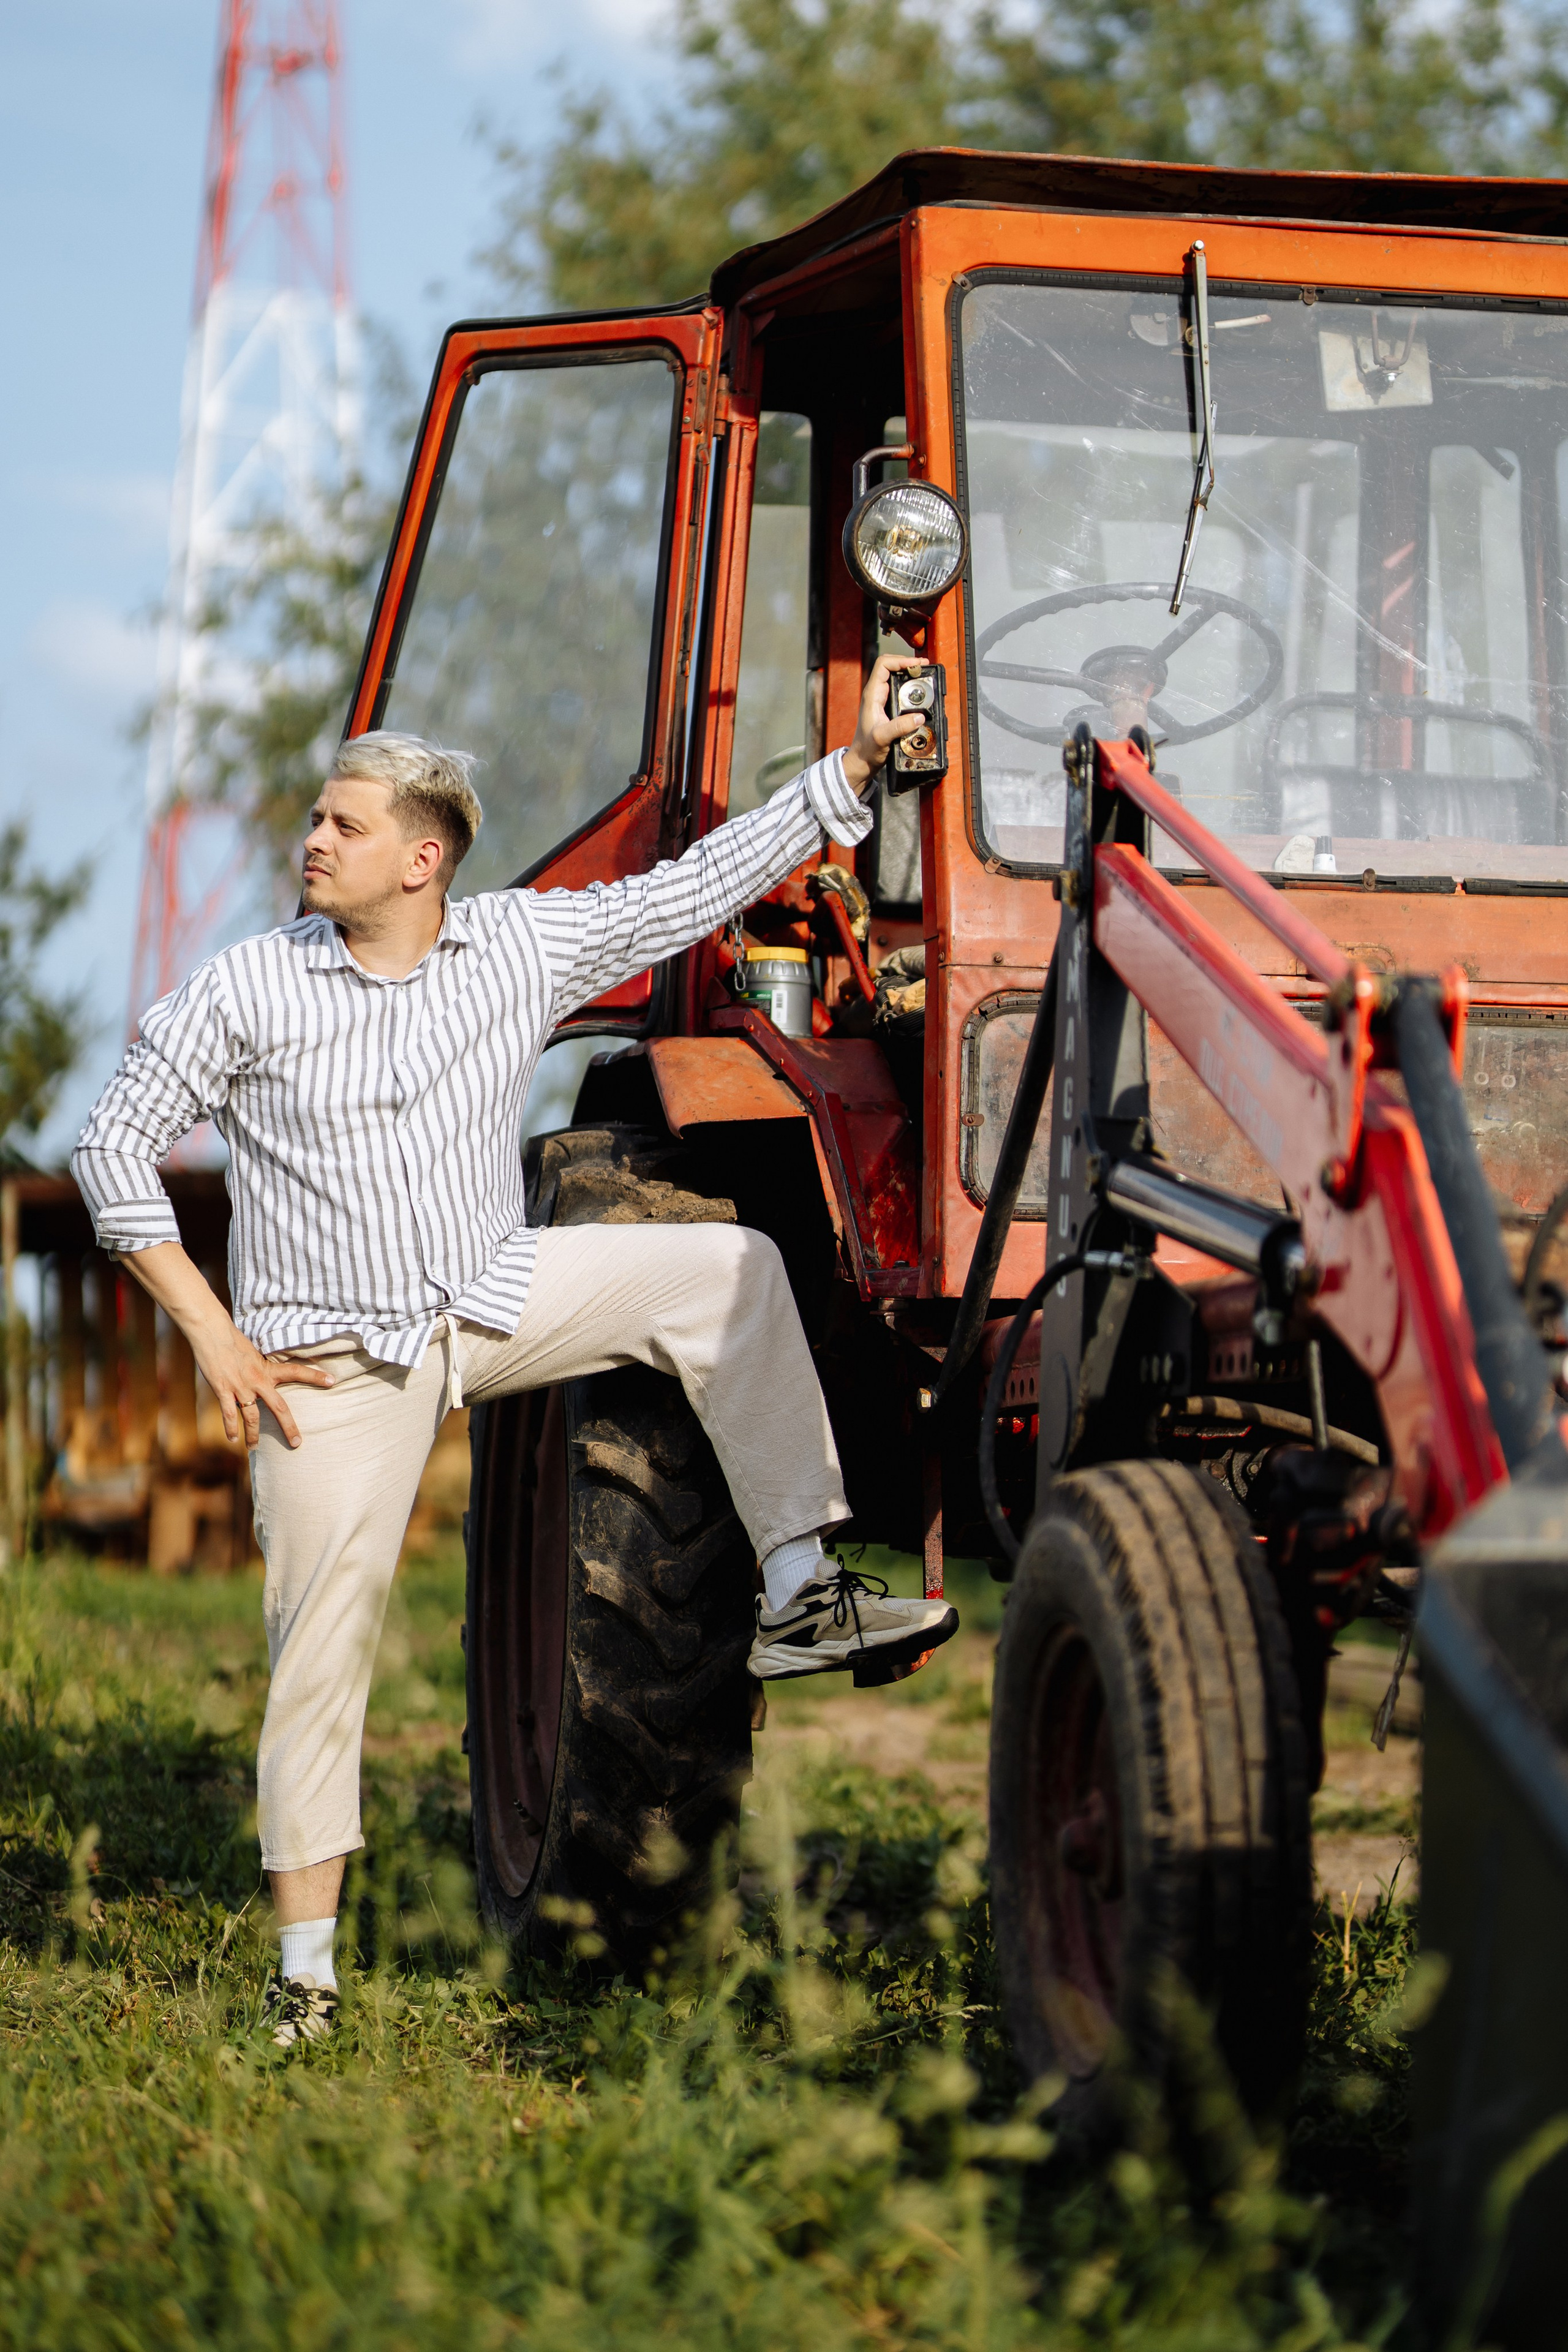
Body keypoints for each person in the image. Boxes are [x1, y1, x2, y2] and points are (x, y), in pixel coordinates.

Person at [72, 654, 959, 2048]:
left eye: (342, 825)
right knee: (318, 1660)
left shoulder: (515, 949)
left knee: (730, 1270)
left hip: (491, 1302)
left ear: (422, 859)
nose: (312, 839)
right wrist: (216, 1338)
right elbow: (111, 1145)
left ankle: (798, 1581)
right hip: (333, 1371)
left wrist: (847, 774)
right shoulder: (249, 988)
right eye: (316, 820)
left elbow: (688, 892)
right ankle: (303, 1982)